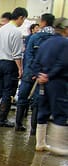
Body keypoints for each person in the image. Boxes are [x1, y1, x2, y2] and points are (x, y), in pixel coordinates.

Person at [0, 7, 28, 127]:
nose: (22, 23)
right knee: (8, 92)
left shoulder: (1, 29)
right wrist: (20, 68)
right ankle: (2, 119)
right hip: (10, 64)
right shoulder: (16, 32)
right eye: (23, 20)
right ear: (20, 17)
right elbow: (16, 54)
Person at [32, 17, 68, 156]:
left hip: (43, 82)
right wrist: (50, 75)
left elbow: (35, 62)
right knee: (60, 112)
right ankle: (59, 146)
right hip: (57, 82)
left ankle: (40, 143)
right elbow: (63, 63)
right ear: (65, 29)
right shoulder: (65, 43)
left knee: (43, 110)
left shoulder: (45, 43)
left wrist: (40, 75)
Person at [15, 13, 55, 134]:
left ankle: (18, 124)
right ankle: (34, 129)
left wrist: (31, 71)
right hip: (44, 76)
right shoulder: (56, 39)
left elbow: (28, 55)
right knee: (38, 102)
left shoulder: (34, 37)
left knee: (22, 98)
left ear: (42, 22)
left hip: (30, 73)